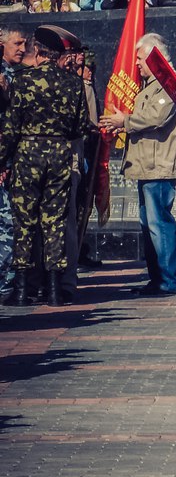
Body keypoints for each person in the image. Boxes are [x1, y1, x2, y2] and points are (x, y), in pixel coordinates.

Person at [0, 24, 94, 306]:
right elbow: (81, 127)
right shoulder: (73, 83)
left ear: (38, 51)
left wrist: (2, 159)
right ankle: (54, 290)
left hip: (27, 155)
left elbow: (11, 128)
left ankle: (21, 290)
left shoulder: (23, 81)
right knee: (55, 222)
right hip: (60, 155)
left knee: (24, 222)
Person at [98, 33, 176, 296]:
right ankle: (157, 279)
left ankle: (167, 281)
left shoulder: (168, 81)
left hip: (159, 165)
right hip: (149, 165)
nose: (136, 63)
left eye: (140, 58)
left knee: (159, 223)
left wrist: (124, 121)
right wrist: (123, 123)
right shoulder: (154, 83)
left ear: (154, 56)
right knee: (150, 223)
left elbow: (156, 117)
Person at [0, 24, 27, 302]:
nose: (22, 49)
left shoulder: (15, 75)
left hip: (11, 162)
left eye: (24, 44)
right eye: (17, 44)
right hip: (4, 162)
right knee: (7, 224)